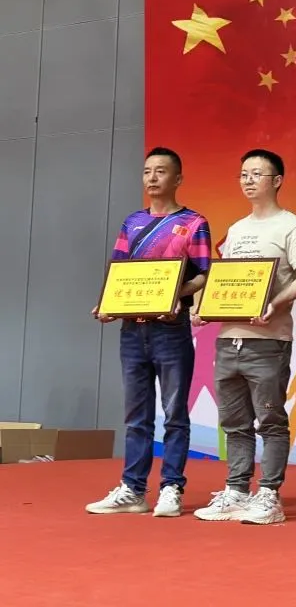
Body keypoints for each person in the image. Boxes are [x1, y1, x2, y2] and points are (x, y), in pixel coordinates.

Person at [87, 147, 212, 517]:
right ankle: (133, 489)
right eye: (147, 171)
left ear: (178, 178)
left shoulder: (194, 222)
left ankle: (171, 488)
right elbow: (119, 272)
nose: (152, 177)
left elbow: (204, 274)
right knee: (136, 416)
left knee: (174, 413)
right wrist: (107, 304)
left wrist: (176, 293)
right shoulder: (132, 223)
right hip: (132, 331)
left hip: (171, 330)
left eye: (161, 171)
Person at [193, 149, 296, 525]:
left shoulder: (292, 226)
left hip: (268, 339)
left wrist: (274, 304)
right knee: (234, 422)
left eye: (256, 174)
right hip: (229, 337)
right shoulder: (237, 229)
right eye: (243, 174)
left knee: (271, 420)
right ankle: (236, 490)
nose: (248, 180)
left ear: (277, 181)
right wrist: (205, 307)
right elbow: (227, 281)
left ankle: (269, 495)